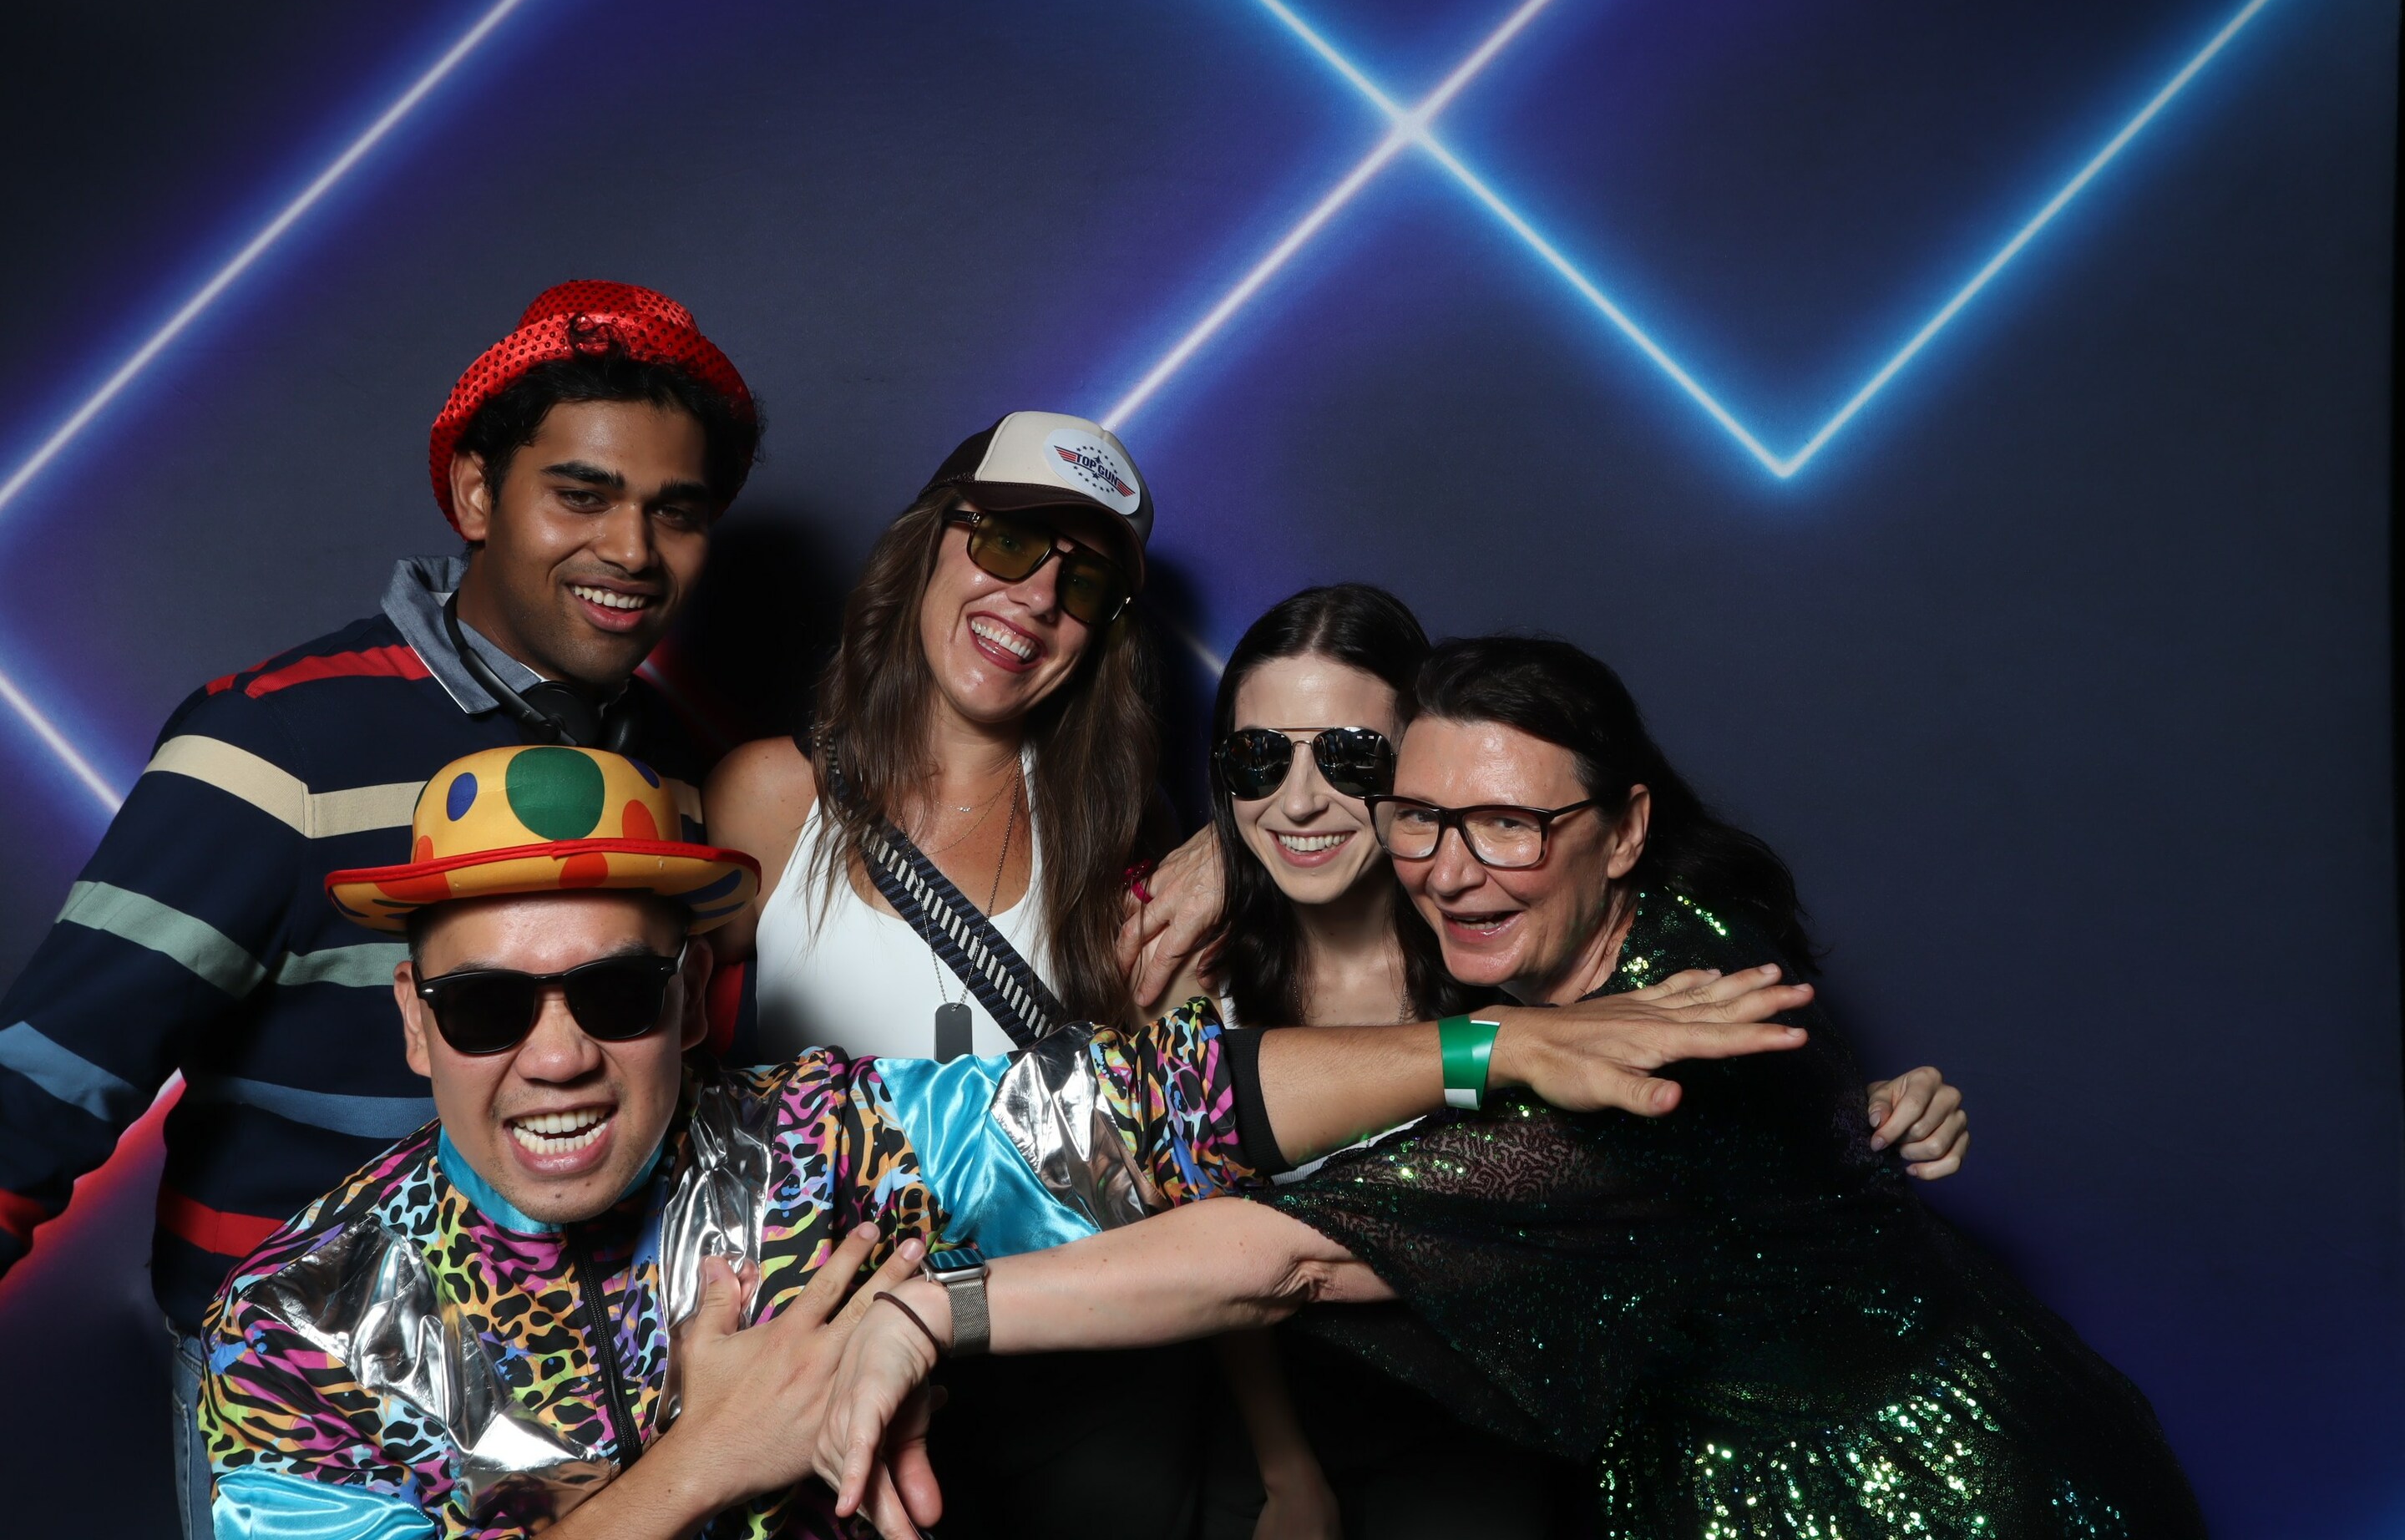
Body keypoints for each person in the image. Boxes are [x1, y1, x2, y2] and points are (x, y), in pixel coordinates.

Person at [197, 742, 1810, 1539]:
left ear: (687, 1001)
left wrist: (1487, 1043)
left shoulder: (821, 1140)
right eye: (488, 1008)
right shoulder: (292, 1328)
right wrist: (705, 1466)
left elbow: (1154, 1108)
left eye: (614, 992)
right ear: (414, 1025)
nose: (557, 1056)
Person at [821, 634, 2203, 1537]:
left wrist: (938, 1311)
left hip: (1911, 1496)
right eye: (1420, 817)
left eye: (1510, 826)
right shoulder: (1662, 929)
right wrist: (1227, 848)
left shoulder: (1653, 1075)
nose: (1451, 867)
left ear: (1627, 828)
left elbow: (1283, 1258)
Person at [0, 280, 758, 1538]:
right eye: (582, 494)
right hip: (309, 1407)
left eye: (676, 512)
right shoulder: (278, 743)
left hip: (603, 1393)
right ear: (476, 494)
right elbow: (35, 1090)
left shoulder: (671, 775)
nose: (632, 550)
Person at [1199, 585, 1968, 1539]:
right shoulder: (1194, 968)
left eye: (1352, 757)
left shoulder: (1503, 942)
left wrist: (1849, 1120)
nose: (1299, 796)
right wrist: (1286, 1471)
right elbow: (1208, 1232)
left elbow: (1694, 1131)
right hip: (1283, 1410)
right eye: (1257, 757)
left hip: (1508, 1435)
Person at [705, 411, 1201, 1534]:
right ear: (930, 541)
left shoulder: (1121, 828)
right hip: (829, 1374)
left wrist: (1232, 858)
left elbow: (1179, 1120)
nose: (1036, 598)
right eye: (1009, 543)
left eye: (1083, 583)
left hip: (1078, 1375)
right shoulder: (771, 798)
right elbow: (639, 1033)